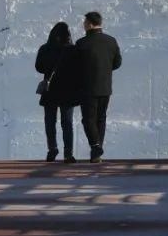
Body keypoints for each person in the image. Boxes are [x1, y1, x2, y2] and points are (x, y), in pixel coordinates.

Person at [73, 11, 122, 163]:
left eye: (84, 22)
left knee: (88, 119)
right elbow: (117, 63)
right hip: (106, 87)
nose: (83, 25)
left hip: (87, 88)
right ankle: (96, 153)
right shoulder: (111, 41)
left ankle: (95, 145)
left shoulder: (81, 43)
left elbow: (75, 66)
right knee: (101, 119)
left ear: (89, 24)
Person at [35, 22, 79, 163]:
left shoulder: (45, 48)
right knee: (67, 123)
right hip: (67, 91)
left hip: (50, 90)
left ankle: (52, 149)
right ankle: (68, 153)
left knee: (50, 121)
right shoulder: (72, 50)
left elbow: (39, 68)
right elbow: (78, 69)